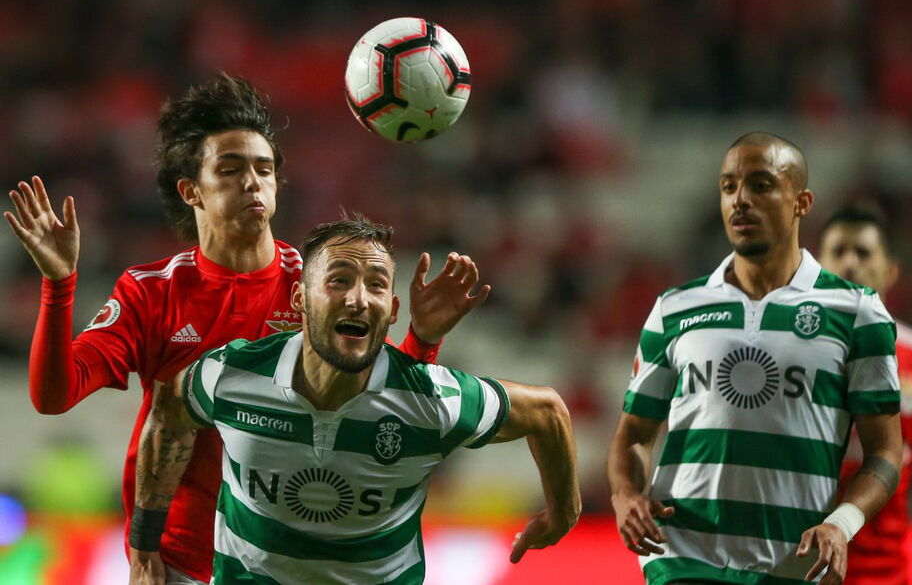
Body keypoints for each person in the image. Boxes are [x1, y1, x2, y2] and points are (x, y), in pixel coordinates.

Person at [3, 74, 491, 585]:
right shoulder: (153, 292)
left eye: (264, 169)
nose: (252, 182)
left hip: (286, 562)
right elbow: (53, 395)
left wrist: (425, 340)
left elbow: (380, 399)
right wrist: (59, 285)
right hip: (178, 563)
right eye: (230, 169)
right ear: (191, 189)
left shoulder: (313, 287)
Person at [128, 216, 581, 584]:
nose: (358, 299)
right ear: (300, 298)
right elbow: (169, 414)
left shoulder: (429, 399)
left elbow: (547, 411)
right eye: (339, 280)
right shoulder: (233, 373)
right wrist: (145, 546)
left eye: (377, 285)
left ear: (394, 310)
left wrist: (564, 512)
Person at [607, 132, 903, 585]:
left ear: (802, 202)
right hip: (683, 555)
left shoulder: (857, 311)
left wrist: (843, 524)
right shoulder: (674, 308)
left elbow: (884, 452)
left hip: (794, 563)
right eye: (729, 187)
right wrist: (626, 495)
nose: (740, 200)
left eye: (761, 185)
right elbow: (632, 435)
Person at [819, 203, 912, 585]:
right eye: (837, 251)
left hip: (884, 575)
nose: (850, 263)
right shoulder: (788, 354)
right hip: (797, 571)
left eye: (863, 252)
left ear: (891, 270)